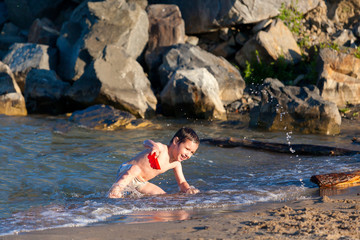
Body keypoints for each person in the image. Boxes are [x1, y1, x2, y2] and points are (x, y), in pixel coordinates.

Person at [107, 127, 200, 198]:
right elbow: (146, 142)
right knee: (135, 169)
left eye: (192, 152)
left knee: (163, 196)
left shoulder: (176, 164)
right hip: (127, 170)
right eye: (187, 149)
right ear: (176, 141)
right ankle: (115, 191)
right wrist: (154, 147)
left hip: (142, 183)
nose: (188, 154)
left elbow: (182, 182)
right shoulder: (161, 149)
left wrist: (188, 189)